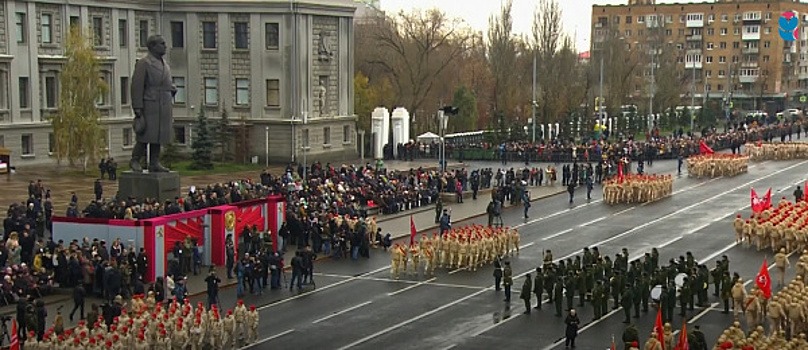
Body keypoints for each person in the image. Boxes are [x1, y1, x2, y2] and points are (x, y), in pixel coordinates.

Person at [129, 35, 177, 172]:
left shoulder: (164, 64)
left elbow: (163, 82)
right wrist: (138, 108)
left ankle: (154, 162)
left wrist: (171, 89)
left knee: (158, 137)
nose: (165, 46)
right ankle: (135, 160)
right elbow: (136, 86)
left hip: (163, 105)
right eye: (162, 44)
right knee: (145, 136)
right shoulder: (144, 63)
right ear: (153, 46)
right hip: (149, 105)